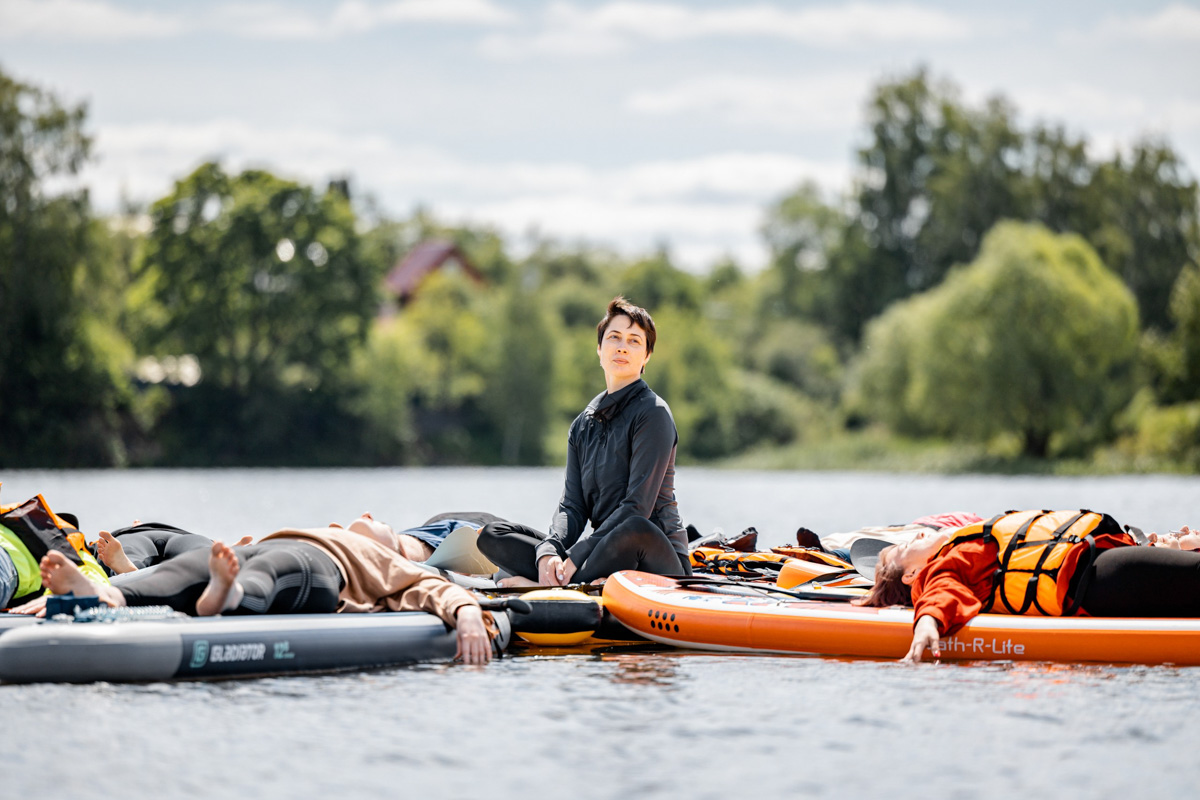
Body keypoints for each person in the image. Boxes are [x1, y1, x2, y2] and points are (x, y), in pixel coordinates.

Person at [25, 513, 495, 665]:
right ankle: (111, 594)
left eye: (378, 522)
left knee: (267, 572)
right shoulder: (323, 528)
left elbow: (436, 589)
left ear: (397, 544)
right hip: (279, 544)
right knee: (195, 564)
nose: (367, 517)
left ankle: (227, 595)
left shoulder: (388, 562)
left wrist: (470, 614)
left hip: (319, 569)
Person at [478, 296, 691, 587]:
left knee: (634, 528)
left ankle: (545, 584)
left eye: (634, 341)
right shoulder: (582, 425)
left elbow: (637, 507)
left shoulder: (653, 413)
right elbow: (572, 507)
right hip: (601, 552)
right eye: (614, 337)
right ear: (600, 349)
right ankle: (565, 579)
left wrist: (577, 554)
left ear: (647, 356)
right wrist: (551, 550)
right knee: (494, 534)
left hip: (656, 559)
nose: (622, 347)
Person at [855, 510, 1200, 663]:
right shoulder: (940, 569)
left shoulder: (958, 543)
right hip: (1101, 578)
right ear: (910, 575)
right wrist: (927, 623)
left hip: (1107, 559)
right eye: (903, 548)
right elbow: (940, 594)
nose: (916, 535)